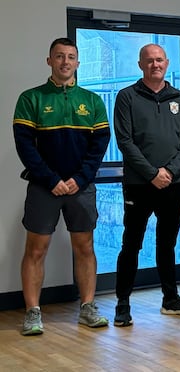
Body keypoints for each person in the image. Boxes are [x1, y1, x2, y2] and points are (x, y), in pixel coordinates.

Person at [13, 37, 111, 335]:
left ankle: (88, 307)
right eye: (59, 56)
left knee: (85, 247)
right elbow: (25, 146)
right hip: (45, 187)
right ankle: (32, 312)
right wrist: (51, 179)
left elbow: (100, 144)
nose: (65, 62)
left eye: (71, 57)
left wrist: (79, 179)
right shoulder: (31, 98)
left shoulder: (92, 101)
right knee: (36, 249)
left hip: (81, 187)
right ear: (49, 61)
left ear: (78, 63)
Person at [113, 44, 180, 327]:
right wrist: (152, 173)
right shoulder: (126, 97)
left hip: (174, 184)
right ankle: (123, 303)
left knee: (168, 244)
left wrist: (170, 171)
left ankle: (170, 299)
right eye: (149, 61)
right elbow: (125, 141)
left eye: (159, 60)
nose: (155, 65)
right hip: (139, 184)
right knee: (131, 244)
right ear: (140, 64)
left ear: (167, 62)